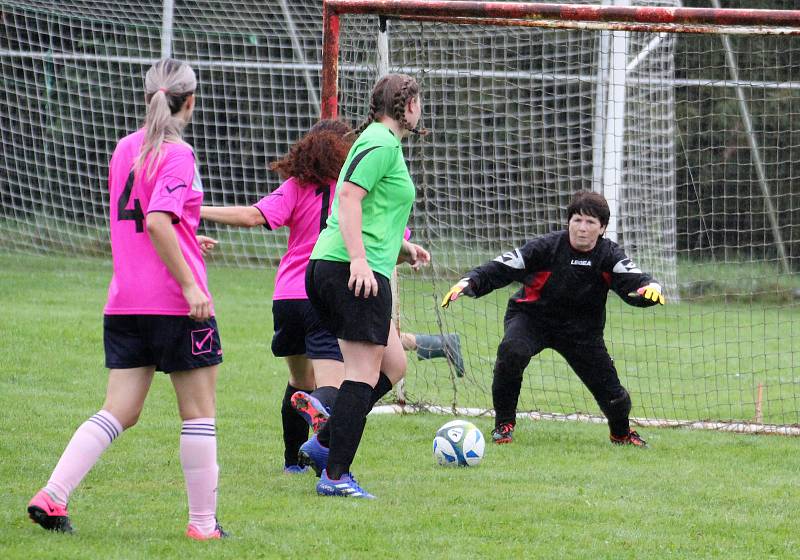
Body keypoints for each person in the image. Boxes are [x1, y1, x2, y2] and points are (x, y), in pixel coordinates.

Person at [26, 58, 227, 540]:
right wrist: (190, 284)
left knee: (119, 410)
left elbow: (146, 221)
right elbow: (157, 220)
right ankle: (203, 526)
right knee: (198, 414)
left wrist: (186, 236)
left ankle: (53, 494)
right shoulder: (178, 153)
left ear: (148, 97)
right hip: (175, 304)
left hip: (125, 302)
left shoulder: (124, 148)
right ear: (190, 101)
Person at [441, 190, 664, 447]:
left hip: (582, 331)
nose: (582, 228)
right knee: (512, 351)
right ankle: (503, 425)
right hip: (532, 317)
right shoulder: (545, 247)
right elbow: (501, 267)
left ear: (602, 228)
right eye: (577, 220)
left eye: (590, 222)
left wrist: (651, 289)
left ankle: (622, 434)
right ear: (568, 222)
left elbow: (637, 281)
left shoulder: (609, 255)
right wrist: (470, 281)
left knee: (615, 396)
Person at [301, 73, 430, 498]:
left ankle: (324, 442)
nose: (420, 110)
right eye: (418, 102)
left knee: (394, 366)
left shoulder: (381, 141)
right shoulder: (380, 141)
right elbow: (349, 198)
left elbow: (371, 214)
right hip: (351, 270)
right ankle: (336, 476)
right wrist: (359, 260)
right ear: (406, 105)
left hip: (345, 265)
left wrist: (403, 249)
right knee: (360, 374)